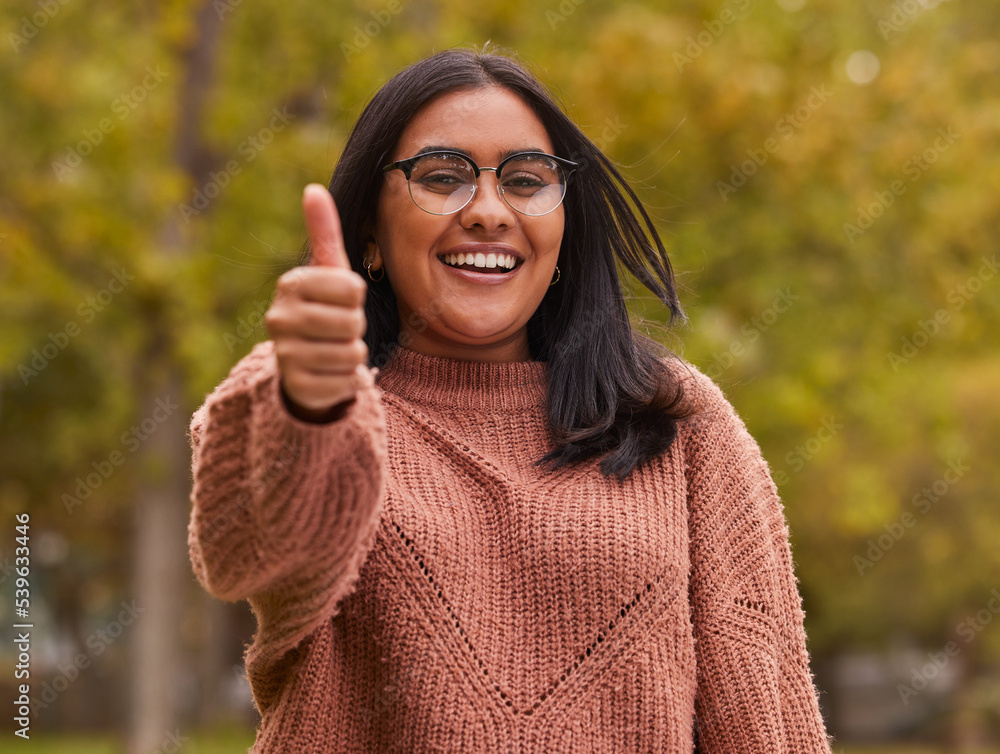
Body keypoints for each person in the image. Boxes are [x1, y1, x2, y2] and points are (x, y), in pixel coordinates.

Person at [187, 47, 832, 753]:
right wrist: (305, 401)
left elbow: (765, 716)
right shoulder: (325, 415)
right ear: (368, 233)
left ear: (563, 227)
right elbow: (243, 551)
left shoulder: (675, 422)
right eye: (442, 177)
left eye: (526, 181)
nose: (490, 212)